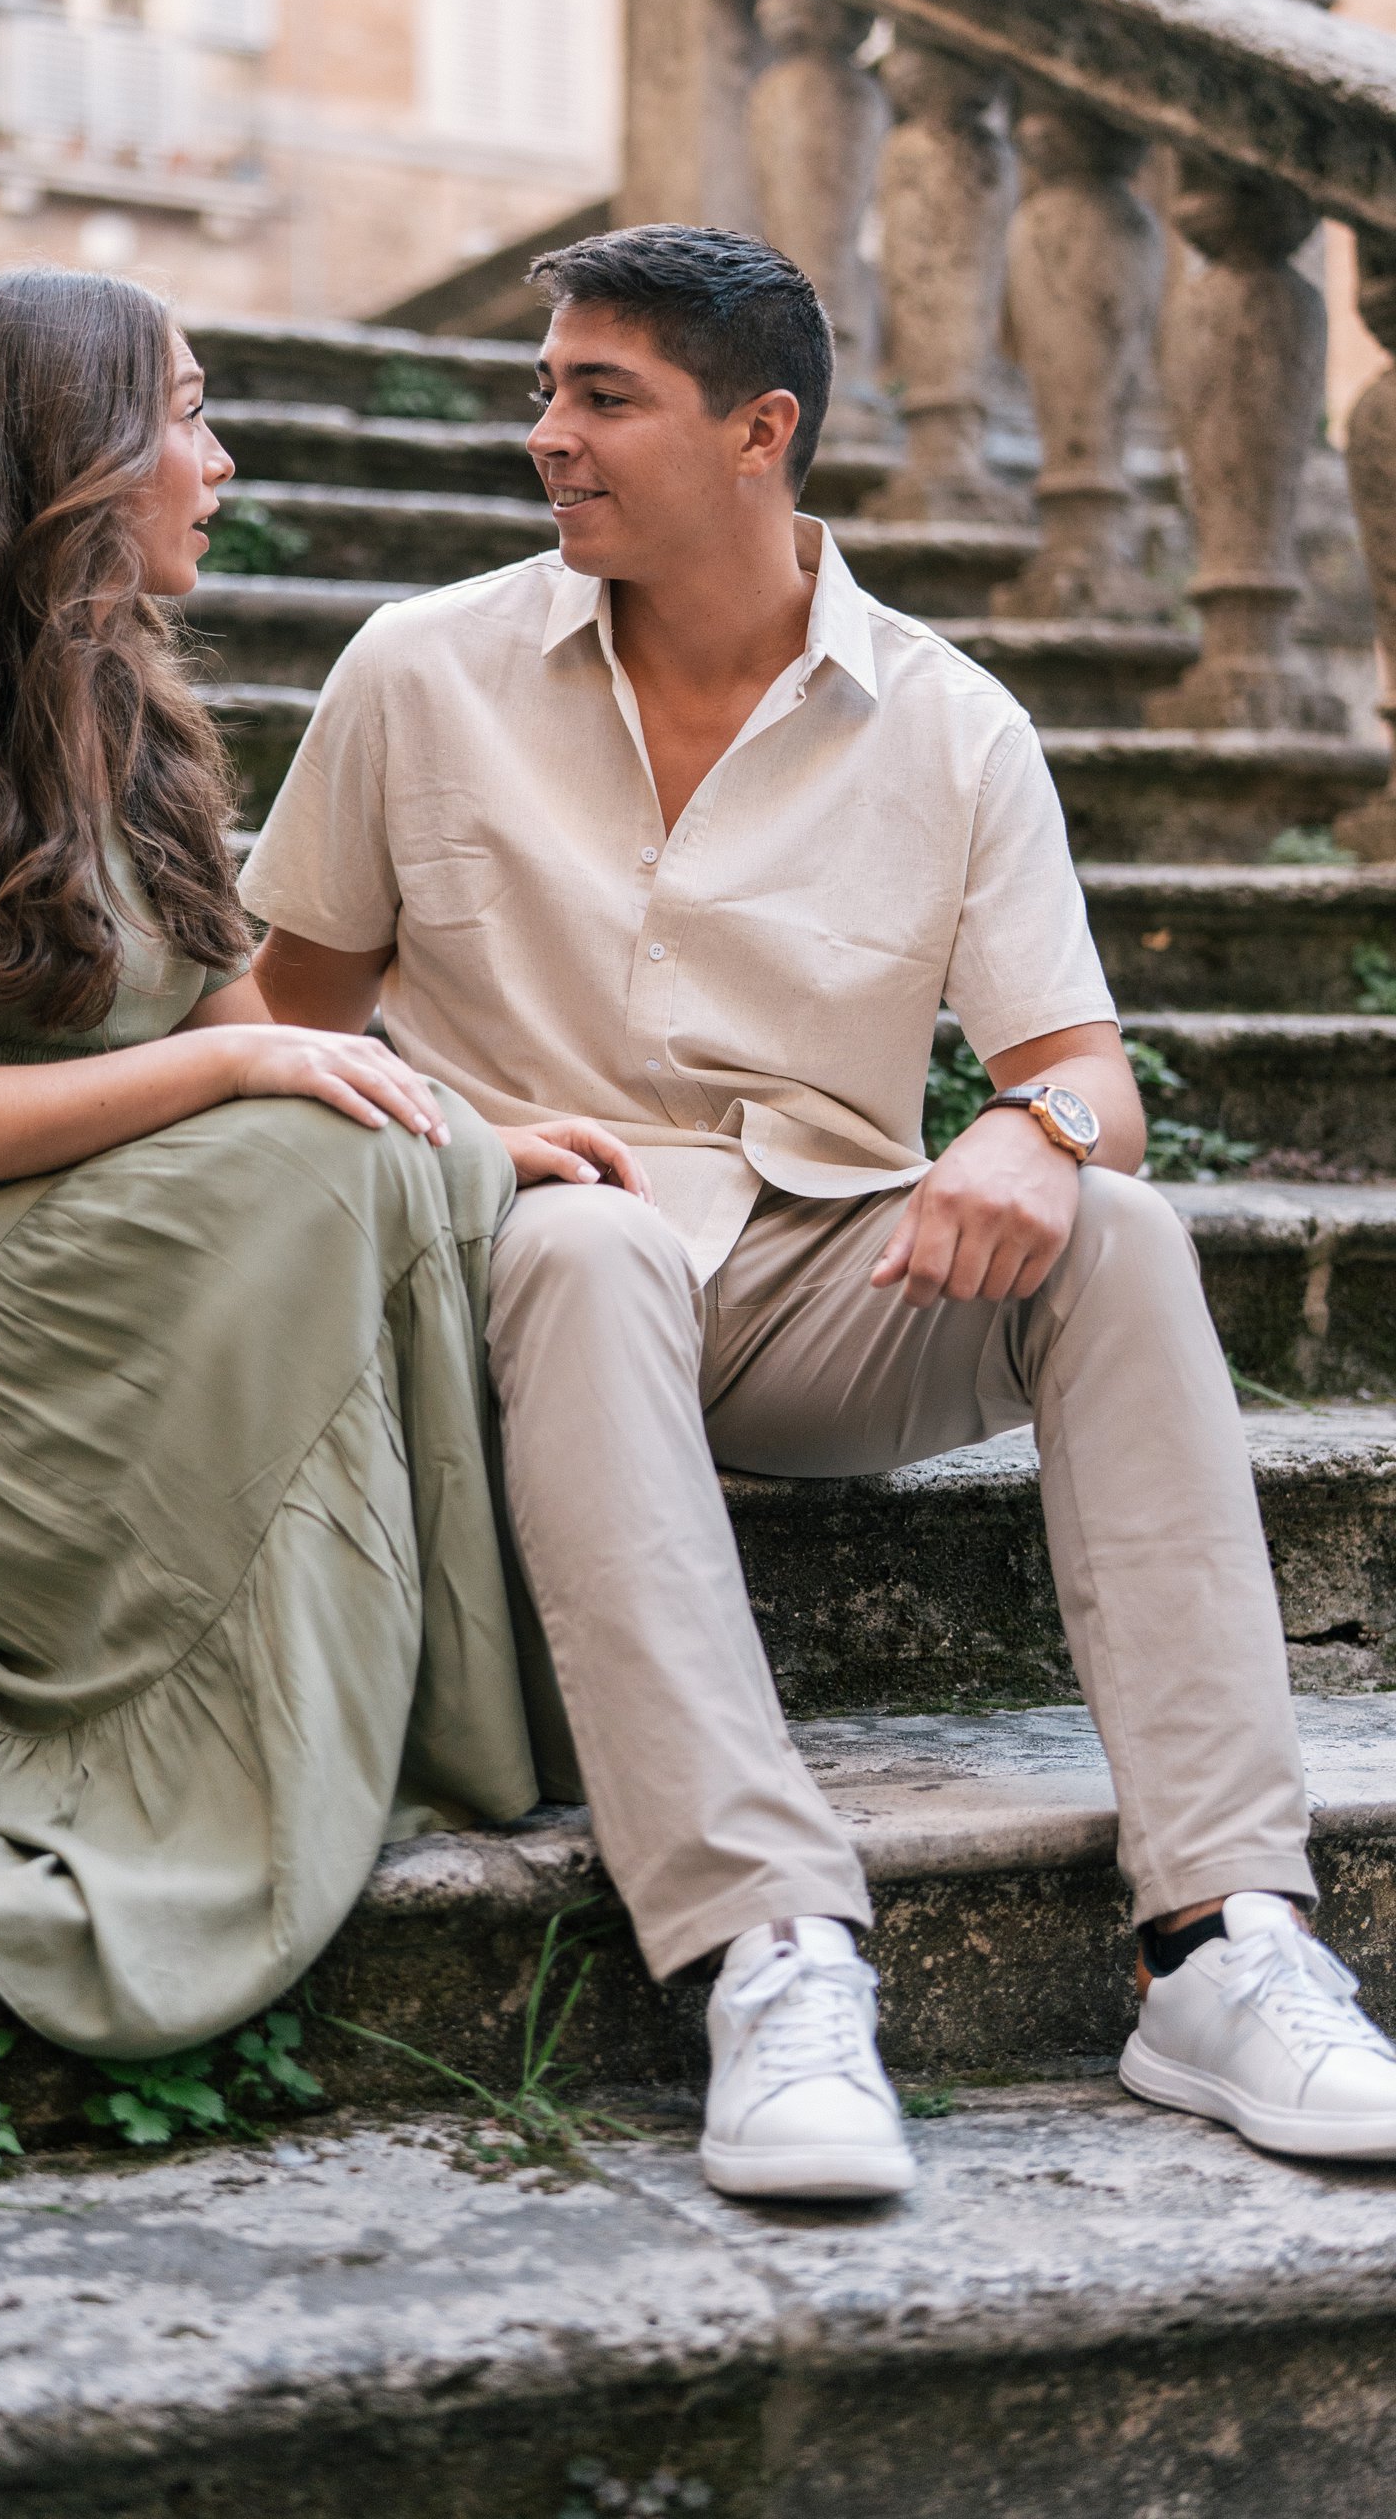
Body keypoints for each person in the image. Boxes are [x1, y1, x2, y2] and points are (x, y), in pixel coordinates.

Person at [242, 221, 1396, 2200]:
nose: (547, 436)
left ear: (759, 431)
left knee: (1121, 1230)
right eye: (545, 392)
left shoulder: (950, 722)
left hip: (802, 1288)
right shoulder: (419, 672)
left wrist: (1037, 1128)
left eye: (603, 397)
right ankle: (768, 1949)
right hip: (503, 1262)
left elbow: (1090, 1075)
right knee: (590, 1238)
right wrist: (462, 1143)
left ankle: (1223, 1940)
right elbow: (280, 1033)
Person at [0, 265, 545, 2062]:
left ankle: (415, 1699)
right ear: (70, 452)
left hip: (95, 1242)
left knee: (391, 1159)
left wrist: (489, 1136)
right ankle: (253, 1738)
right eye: (185, 414)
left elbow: (273, 1052)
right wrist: (247, 1064)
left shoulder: (145, 727)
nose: (221, 459)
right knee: (321, 1155)